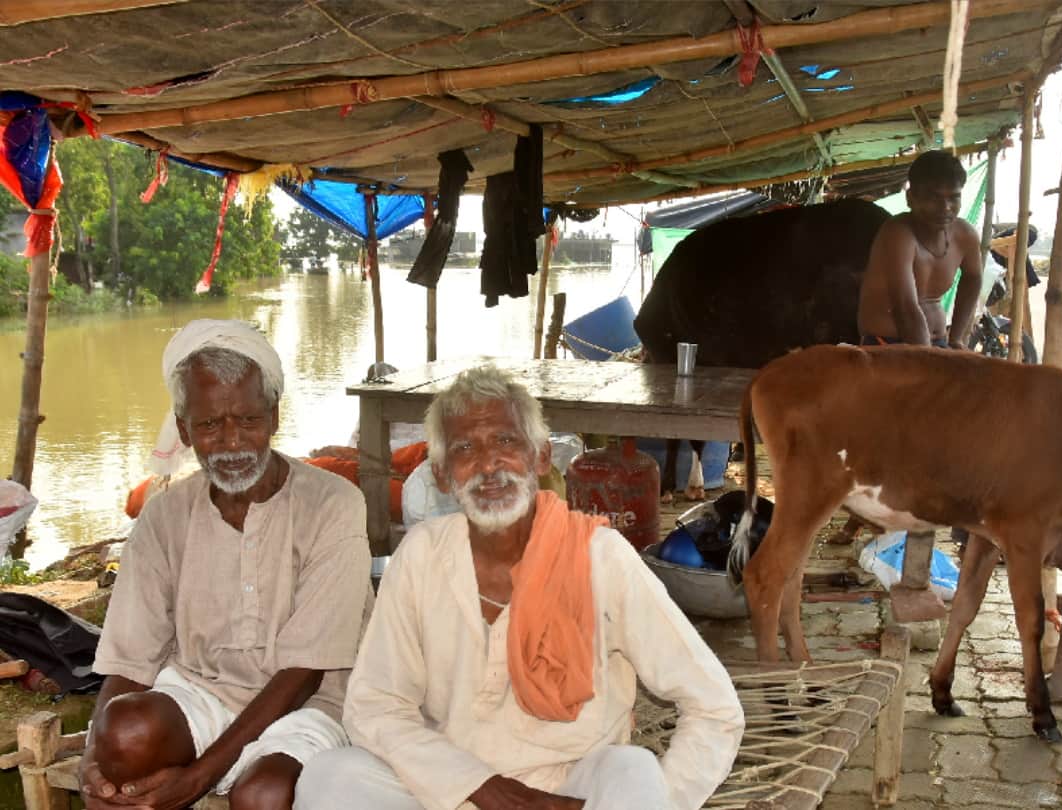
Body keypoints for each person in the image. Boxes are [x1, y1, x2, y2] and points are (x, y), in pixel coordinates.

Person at [294, 365, 745, 810]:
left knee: (632, 771)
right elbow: (375, 706)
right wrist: (486, 789)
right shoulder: (422, 555)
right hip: (454, 792)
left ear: (541, 457)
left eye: (506, 441)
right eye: (465, 447)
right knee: (330, 779)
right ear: (443, 474)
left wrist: (664, 801)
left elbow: (715, 708)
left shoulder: (600, 556)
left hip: (568, 793)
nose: (488, 464)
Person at [81, 319, 373, 810]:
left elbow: (305, 672)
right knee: (124, 734)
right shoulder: (164, 516)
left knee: (262, 793)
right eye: (210, 425)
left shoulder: (334, 504)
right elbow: (130, 659)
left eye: (249, 420)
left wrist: (197, 778)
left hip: (313, 702)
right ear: (183, 428)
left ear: (275, 416)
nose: (233, 442)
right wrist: (96, 759)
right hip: (203, 692)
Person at [857, 149, 983, 349]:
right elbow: (905, 308)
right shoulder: (898, 233)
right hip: (887, 346)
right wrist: (929, 361)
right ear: (910, 198)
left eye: (954, 197)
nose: (946, 207)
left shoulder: (965, 235)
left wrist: (956, 338)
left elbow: (974, 277)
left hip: (936, 344)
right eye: (933, 198)